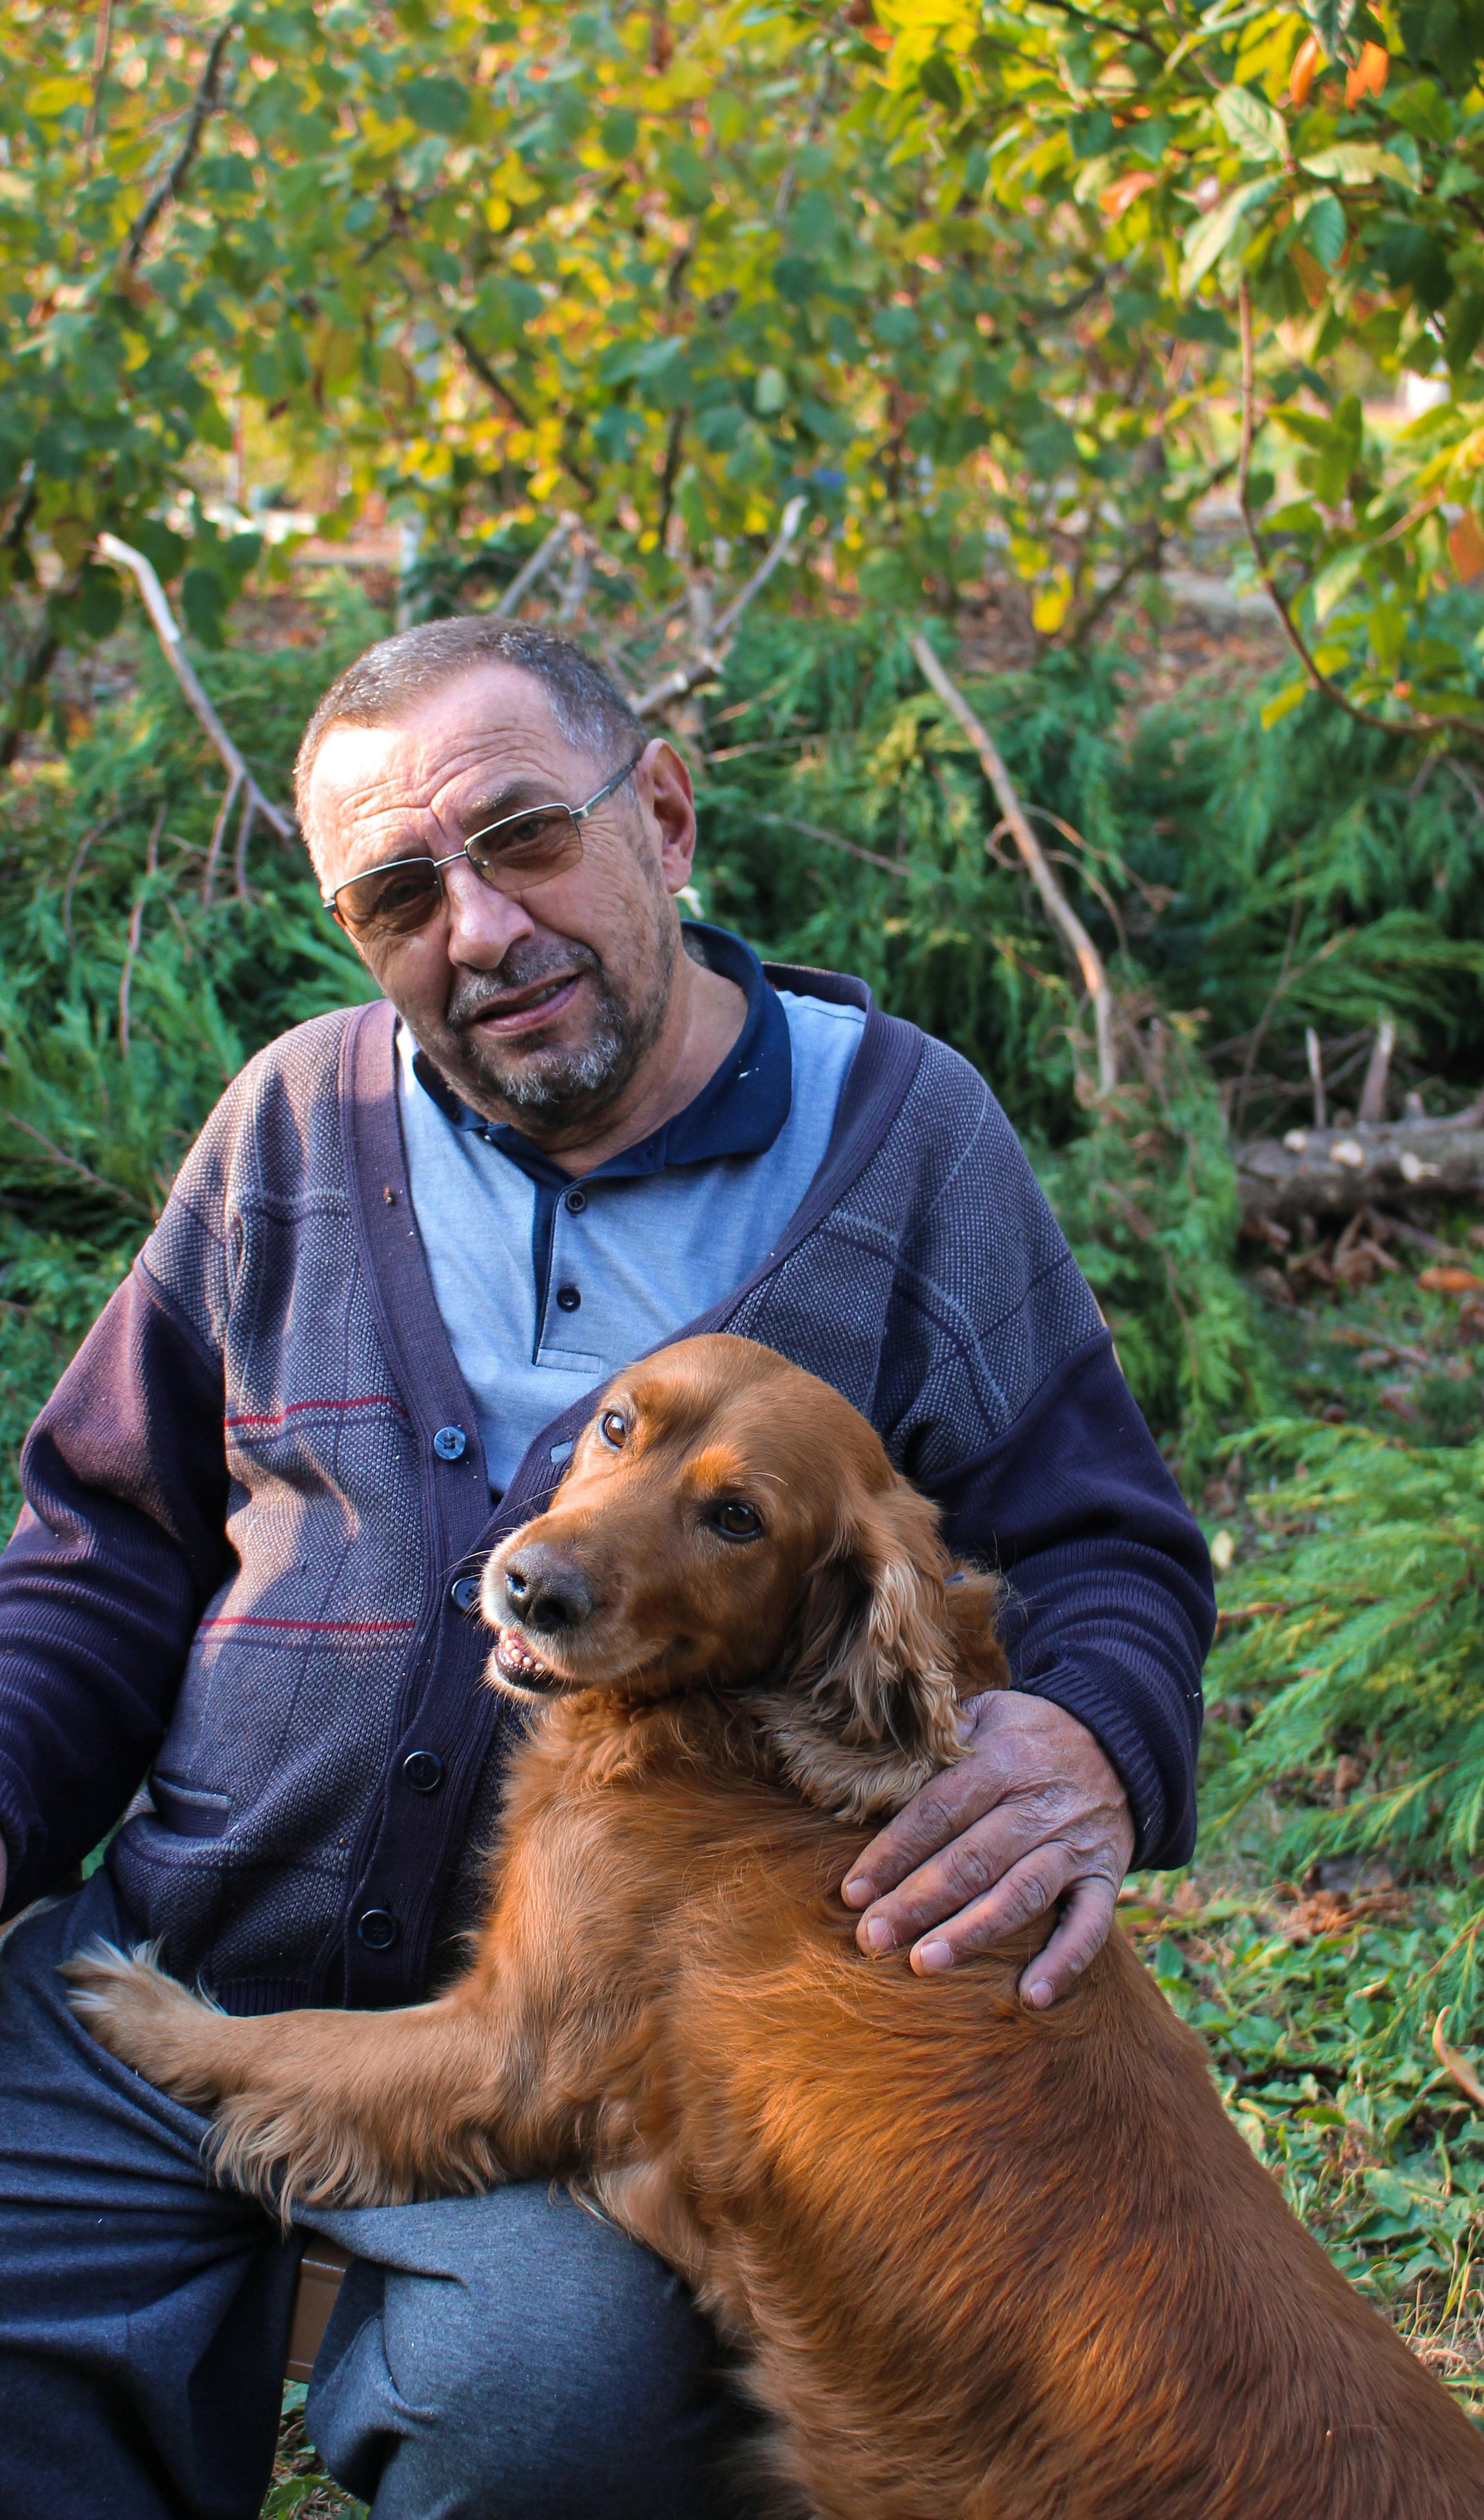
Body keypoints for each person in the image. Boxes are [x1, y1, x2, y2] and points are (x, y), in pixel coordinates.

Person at [0, 619, 1214, 2519]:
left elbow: (1102, 1538)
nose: (477, 930)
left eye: (524, 839)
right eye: (400, 888)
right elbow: (103, 1547)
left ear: (659, 811)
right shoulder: (295, 1122)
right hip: (191, 1936)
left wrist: (1086, 1739)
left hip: (596, 2057)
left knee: (552, 2413)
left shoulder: (901, 1139)